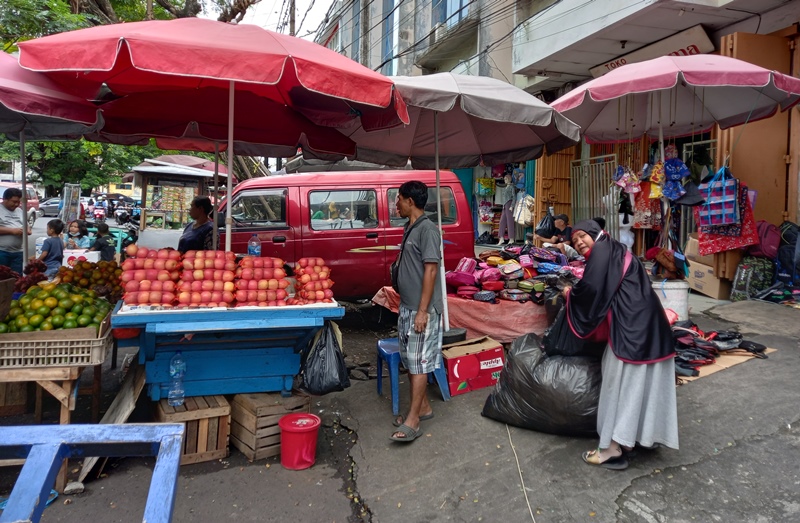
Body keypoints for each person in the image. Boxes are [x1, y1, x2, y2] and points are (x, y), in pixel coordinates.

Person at [565, 220, 678, 470]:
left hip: (632, 329)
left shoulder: (603, 251)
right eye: (574, 241)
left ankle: (611, 448)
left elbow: (592, 288)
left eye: (582, 236)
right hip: (647, 324)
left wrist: (569, 294)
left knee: (620, 383)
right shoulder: (612, 247)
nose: (579, 243)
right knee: (639, 383)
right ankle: (631, 438)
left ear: (595, 234)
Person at [391, 180, 444, 443]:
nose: (395, 204)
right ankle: (423, 407)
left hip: (421, 310)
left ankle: (413, 420)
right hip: (407, 306)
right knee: (410, 359)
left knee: (420, 361)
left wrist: (422, 311)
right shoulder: (409, 227)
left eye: (398, 199)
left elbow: (431, 270)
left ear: (410, 201)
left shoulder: (428, 230)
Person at [0, 188, 31, 274]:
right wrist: (12, 231)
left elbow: (27, 225)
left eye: (18, 202)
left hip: (18, 252)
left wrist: (27, 230)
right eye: (14, 201)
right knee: (2, 278)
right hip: (2, 252)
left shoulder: (20, 211)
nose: (17, 204)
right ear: (5, 199)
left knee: (16, 278)